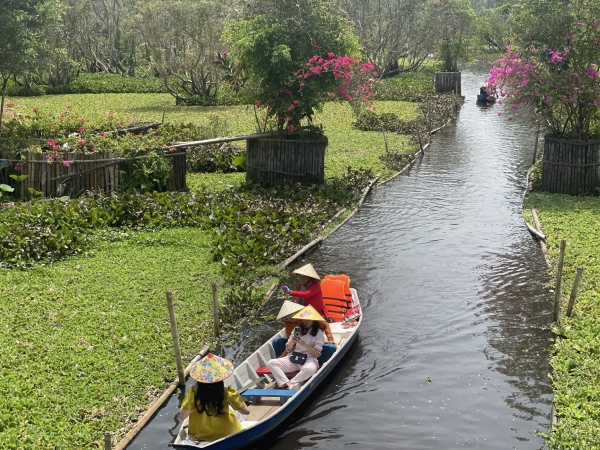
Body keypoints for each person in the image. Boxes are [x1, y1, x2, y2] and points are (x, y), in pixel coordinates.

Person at [179, 353, 250, 442]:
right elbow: (246, 412)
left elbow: (182, 416)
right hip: (227, 432)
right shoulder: (227, 392)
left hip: (199, 435)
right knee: (235, 412)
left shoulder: (193, 393)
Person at [267, 305, 325, 389]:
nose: (306, 321)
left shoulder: (318, 333)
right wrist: (292, 341)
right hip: (293, 358)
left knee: (309, 369)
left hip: (309, 359)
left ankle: (291, 382)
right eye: (304, 319)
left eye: (308, 319)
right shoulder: (297, 329)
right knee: (271, 363)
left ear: (313, 319)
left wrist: (304, 344)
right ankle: (285, 383)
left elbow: (317, 354)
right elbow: (288, 349)